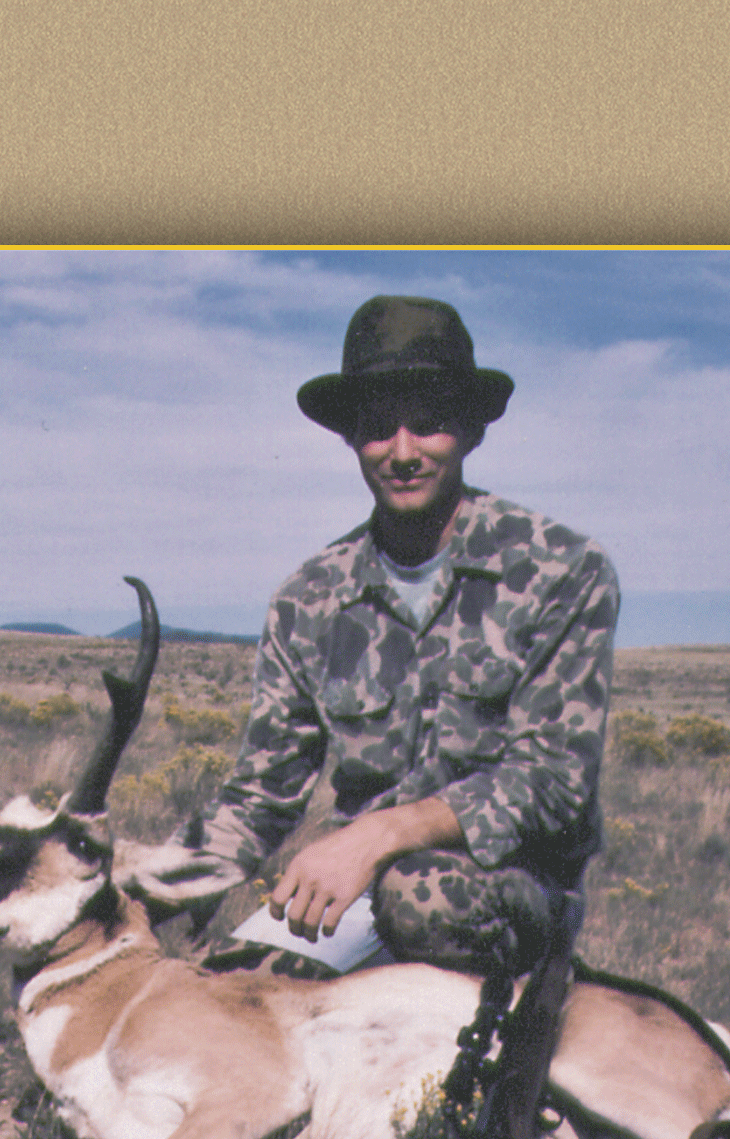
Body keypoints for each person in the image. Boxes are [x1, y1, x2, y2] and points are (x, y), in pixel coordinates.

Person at [144, 294, 620, 980]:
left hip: (509, 889)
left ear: (471, 431)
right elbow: (262, 792)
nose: (402, 453)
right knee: (226, 997)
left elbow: (552, 781)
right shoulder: (308, 598)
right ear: (350, 440)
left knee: (418, 896)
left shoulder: (561, 569)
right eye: (376, 430)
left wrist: (379, 834)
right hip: (359, 895)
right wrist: (146, 882)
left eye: (428, 426)